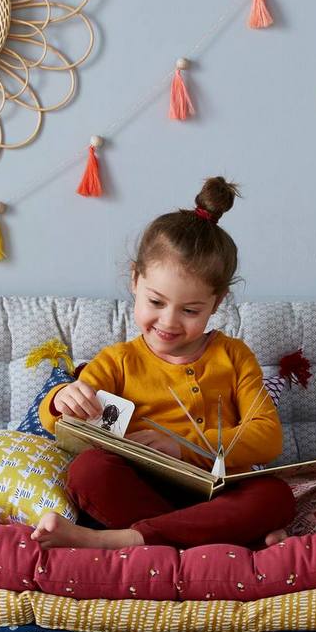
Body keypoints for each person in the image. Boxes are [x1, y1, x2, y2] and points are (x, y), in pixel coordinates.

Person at [31, 177, 295, 550]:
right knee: (88, 472)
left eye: (190, 310)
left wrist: (182, 445)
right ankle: (227, 540)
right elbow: (64, 422)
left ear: (216, 304)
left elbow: (268, 438)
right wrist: (60, 399)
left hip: (219, 495)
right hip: (142, 493)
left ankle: (128, 540)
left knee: (275, 495)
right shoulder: (118, 361)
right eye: (156, 303)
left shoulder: (234, 356)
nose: (169, 323)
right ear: (135, 280)